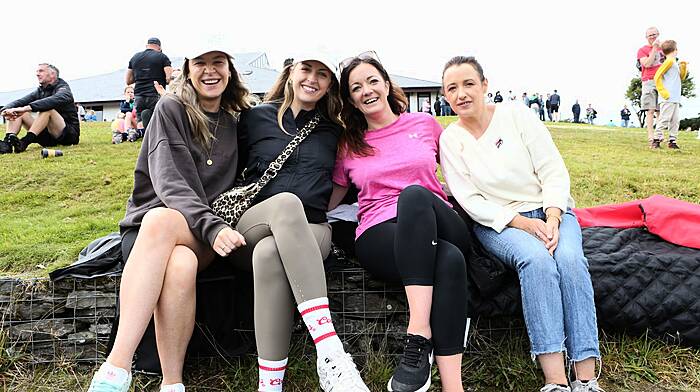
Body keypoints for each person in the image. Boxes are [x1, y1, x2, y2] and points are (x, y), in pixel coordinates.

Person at [87, 46, 251, 392]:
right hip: (154, 231)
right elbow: (170, 183)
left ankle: (115, 368)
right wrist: (211, 225)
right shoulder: (171, 108)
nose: (210, 71)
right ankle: (171, 383)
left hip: (202, 232)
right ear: (187, 69)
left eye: (218, 63)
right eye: (201, 63)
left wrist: (211, 226)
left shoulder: (237, 118)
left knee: (165, 224)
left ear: (230, 69)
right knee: (176, 258)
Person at [440, 56, 602, 392]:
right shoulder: (451, 140)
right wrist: (521, 224)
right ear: (445, 95)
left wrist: (553, 215)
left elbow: (552, 169)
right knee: (537, 260)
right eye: (452, 88)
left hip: (549, 211)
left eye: (469, 84)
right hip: (500, 223)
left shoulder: (517, 116)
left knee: (570, 260)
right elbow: (469, 199)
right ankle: (555, 379)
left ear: (485, 86)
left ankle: (586, 377)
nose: (461, 94)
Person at [333, 51, 470, 392]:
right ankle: (454, 387)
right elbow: (330, 198)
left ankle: (417, 333)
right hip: (379, 232)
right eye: (355, 88)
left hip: (439, 220)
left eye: (372, 81)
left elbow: (463, 173)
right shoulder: (349, 144)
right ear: (350, 99)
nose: (366, 90)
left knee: (414, 196)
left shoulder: (423, 124)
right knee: (449, 261)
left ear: (386, 83)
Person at [237, 54, 369, 392]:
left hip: (312, 229)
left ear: (330, 86)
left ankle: (269, 384)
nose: (313, 79)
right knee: (284, 204)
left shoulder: (335, 131)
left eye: (323, 74)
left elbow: (354, 178)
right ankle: (330, 350)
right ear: (291, 73)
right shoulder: (254, 118)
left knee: (270, 254)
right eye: (306, 70)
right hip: (256, 221)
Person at [0, 63, 80, 154]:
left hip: (68, 136)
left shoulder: (63, 88)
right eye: (37, 71)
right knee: (16, 110)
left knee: (48, 110)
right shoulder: (40, 91)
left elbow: (55, 99)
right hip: (47, 137)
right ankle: (7, 145)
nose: (37, 74)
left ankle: (24, 142)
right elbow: (21, 101)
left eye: (41, 71)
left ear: (52, 74)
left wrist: (26, 108)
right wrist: (5, 110)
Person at [126, 37, 172, 137]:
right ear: (159, 47)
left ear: (147, 45)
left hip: (139, 95)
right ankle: (155, 137)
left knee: (141, 119)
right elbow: (169, 78)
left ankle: (145, 136)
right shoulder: (162, 57)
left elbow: (128, 80)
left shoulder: (135, 57)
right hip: (155, 93)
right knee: (158, 118)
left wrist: (141, 76)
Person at [652, 40, 688, 150]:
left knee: (675, 120)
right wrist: (663, 91)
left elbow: (681, 77)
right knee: (665, 119)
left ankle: (672, 141)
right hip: (668, 97)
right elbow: (657, 76)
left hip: (675, 97)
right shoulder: (669, 62)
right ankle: (656, 140)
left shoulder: (674, 62)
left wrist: (683, 67)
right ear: (675, 50)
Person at [637, 27, 665, 146]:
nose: (653, 37)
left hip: (663, 80)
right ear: (646, 37)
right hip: (649, 80)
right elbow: (647, 64)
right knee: (650, 109)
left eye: (654, 34)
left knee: (661, 109)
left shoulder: (664, 48)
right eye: (650, 35)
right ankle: (650, 136)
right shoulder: (642, 50)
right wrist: (654, 48)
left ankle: (659, 135)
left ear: (658, 34)